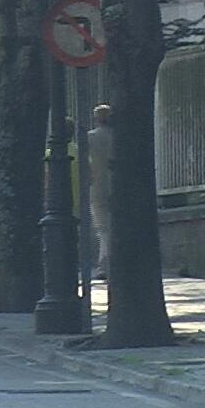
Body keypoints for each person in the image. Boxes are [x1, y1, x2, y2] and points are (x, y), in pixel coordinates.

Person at [86, 104, 114, 280]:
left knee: (102, 228)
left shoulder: (91, 138)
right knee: (113, 226)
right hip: (118, 184)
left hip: (97, 185)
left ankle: (104, 264)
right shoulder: (119, 137)